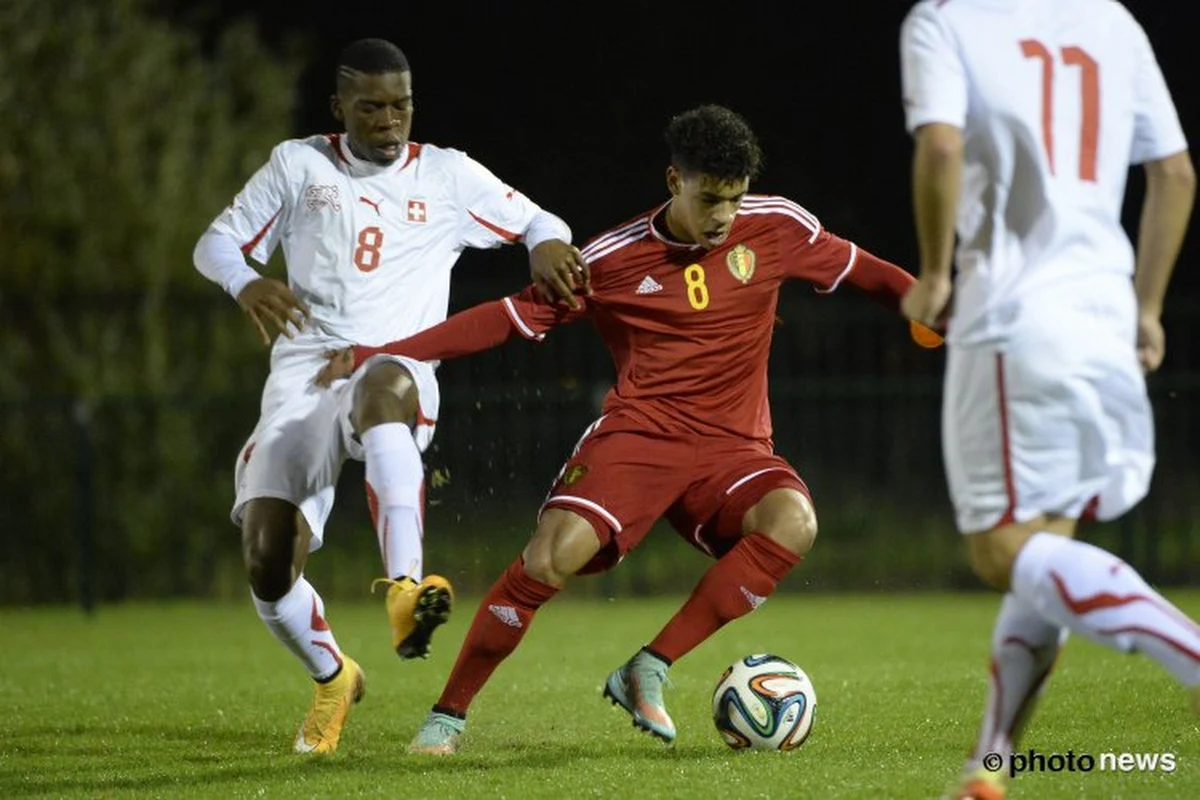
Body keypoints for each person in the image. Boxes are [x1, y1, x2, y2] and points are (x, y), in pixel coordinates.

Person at [317, 104, 935, 754]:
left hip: (734, 451)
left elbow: (868, 273)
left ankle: (650, 666)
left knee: (794, 521)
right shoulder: (610, 261)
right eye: (710, 198)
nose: (724, 215)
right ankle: (448, 716)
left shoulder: (777, 227)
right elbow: (503, 318)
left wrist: (929, 309)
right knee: (550, 558)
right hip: (640, 438)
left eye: (735, 199)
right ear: (675, 182)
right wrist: (383, 353)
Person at [192, 38, 587, 755]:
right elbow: (215, 244)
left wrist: (544, 244)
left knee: (383, 383)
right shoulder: (298, 164)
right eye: (369, 106)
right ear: (338, 107)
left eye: (400, 104)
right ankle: (333, 674)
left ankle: (406, 588)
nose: (387, 119)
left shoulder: (446, 174)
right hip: (303, 379)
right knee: (268, 559)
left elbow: (541, 221)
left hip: (398, 371)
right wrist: (247, 281)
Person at [899, 2, 1198, 798]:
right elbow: (1174, 173)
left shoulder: (946, 20)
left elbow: (940, 145)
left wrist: (933, 275)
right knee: (1043, 552)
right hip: (1102, 312)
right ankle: (989, 767)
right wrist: (1146, 307)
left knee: (1000, 550)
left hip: (1012, 314)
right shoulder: (1112, 21)